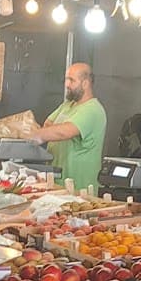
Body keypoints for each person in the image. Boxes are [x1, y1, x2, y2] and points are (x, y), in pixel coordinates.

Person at [30, 63, 107, 193]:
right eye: (66, 79)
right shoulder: (67, 105)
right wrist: (51, 131)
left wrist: (33, 135)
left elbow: (64, 132)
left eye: (72, 80)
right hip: (58, 183)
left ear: (85, 83)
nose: (67, 84)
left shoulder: (92, 110)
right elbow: (47, 124)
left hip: (79, 187)